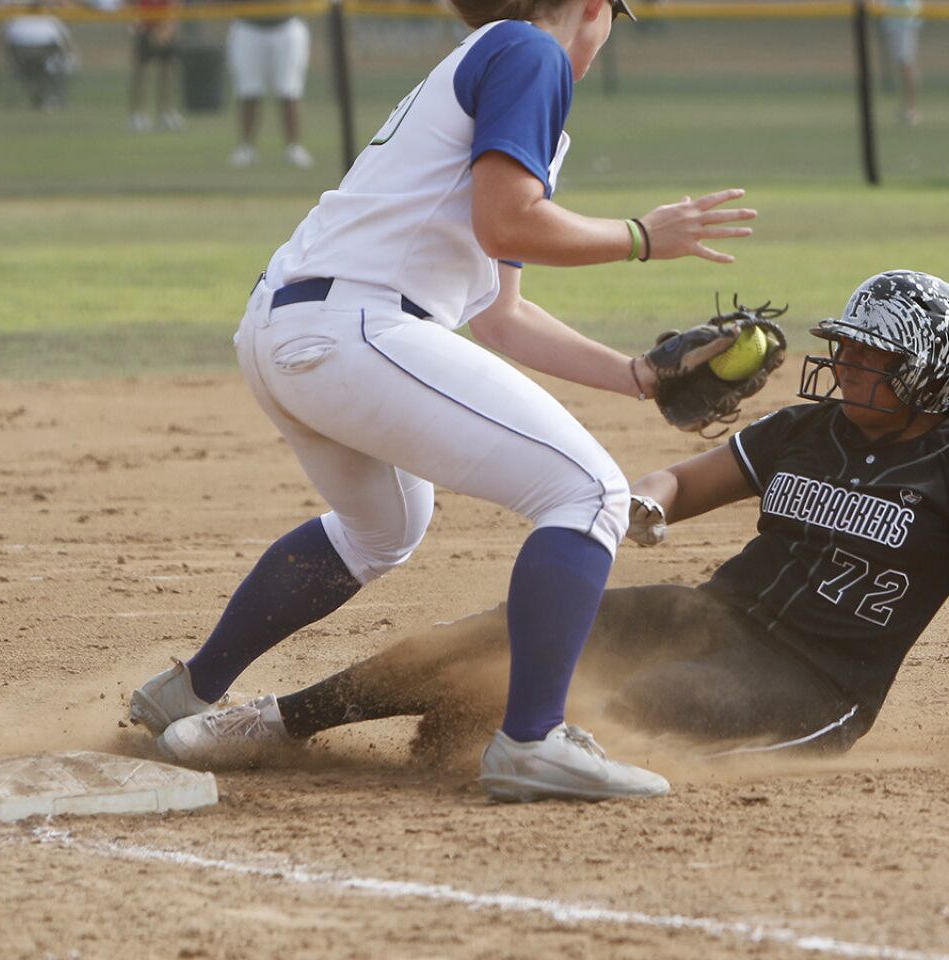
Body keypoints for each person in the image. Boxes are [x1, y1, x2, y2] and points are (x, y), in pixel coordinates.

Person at [127, 0, 758, 805]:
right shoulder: (532, 55)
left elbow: (501, 312)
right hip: (357, 327)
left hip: (291, 329)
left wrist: (641, 376)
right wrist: (641, 235)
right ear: (593, 9)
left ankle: (188, 690)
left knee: (386, 525)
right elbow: (507, 223)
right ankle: (533, 740)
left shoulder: (497, 61)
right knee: (588, 492)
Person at [153, 270, 949, 785]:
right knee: (485, 639)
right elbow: (682, 483)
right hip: (706, 612)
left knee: (626, 709)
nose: (843, 368)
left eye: (870, 358)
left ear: (930, 373)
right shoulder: (810, 429)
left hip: (813, 688)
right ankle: (279, 720)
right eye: (843, 350)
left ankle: (483, 738)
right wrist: (641, 502)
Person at [226, 1, 314, 168]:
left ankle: (293, 147)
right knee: (248, 91)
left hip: (287, 25)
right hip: (248, 26)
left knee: (290, 91)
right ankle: (246, 147)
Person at [4, 6, 77, 111]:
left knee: (52, 66)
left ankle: (42, 95)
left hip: (23, 61)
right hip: (41, 60)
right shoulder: (50, 18)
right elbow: (65, 43)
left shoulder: (16, 17)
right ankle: (54, 98)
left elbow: (7, 42)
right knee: (61, 65)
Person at [128, 0, 184, 132]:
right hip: (144, 31)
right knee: (140, 74)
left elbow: (173, 7)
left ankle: (166, 113)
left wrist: (167, 29)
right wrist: (140, 27)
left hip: (164, 31)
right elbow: (133, 9)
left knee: (167, 72)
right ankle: (137, 115)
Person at [879, 0, 923, 125]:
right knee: (902, 63)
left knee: (906, 62)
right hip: (894, 17)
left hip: (904, 17)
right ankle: (907, 106)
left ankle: (912, 109)